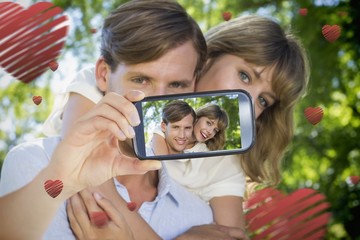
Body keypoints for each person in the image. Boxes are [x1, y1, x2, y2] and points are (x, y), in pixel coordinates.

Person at [42, 12, 309, 239]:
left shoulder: (225, 165)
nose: (250, 101)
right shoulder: (110, 85)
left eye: (264, 100)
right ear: (209, 57)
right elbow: (87, 177)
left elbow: (230, 234)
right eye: (244, 75)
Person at [0, 1, 250, 239]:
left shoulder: (198, 217)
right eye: (141, 80)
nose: (159, 100)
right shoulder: (35, 163)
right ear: (103, 75)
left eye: (176, 84)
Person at [151, 103, 229, 155]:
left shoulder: (202, 150)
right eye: (209, 123)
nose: (210, 131)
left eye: (215, 130)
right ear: (197, 118)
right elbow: (162, 163)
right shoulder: (166, 129)